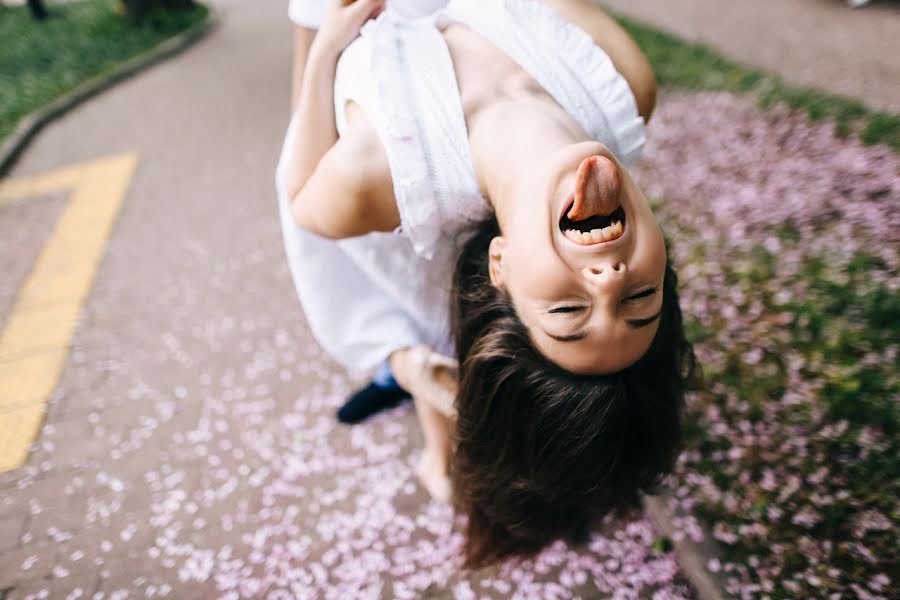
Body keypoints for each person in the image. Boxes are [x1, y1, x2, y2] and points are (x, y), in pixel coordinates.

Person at [277, 0, 699, 568]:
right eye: (640, 298)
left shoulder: (370, 175)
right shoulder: (624, 84)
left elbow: (300, 195)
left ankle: (423, 416)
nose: (608, 278)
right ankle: (428, 421)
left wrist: (327, 44)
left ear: (499, 266)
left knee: (425, 315)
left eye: (569, 311)